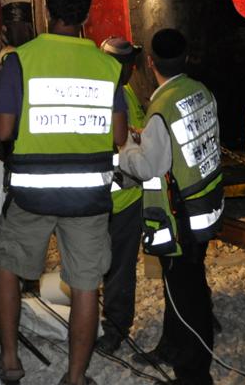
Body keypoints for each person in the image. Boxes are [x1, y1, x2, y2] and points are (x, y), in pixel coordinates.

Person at [0, 0, 127, 385]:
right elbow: (119, 135)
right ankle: (75, 378)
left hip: (32, 194)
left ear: (47, 12)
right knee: (85, 284)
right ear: (86, 16)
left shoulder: (21, 60)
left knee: (8, 267)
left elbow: (3, 131)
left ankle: (11, 362)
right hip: (88, 197)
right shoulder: (109, 66)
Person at [117, 29, 223, 385]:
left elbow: (148, 167)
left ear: (150, 63)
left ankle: (194, 374)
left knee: (186, 294)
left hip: (180, 218)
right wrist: (147, 137)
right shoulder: (200, 91)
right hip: (205, 204)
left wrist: (126, 147)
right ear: (186, 57)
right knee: (185, 285)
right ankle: (171, 346)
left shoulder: (161, 108)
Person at [95, 36, 146, 354]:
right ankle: (114, 328)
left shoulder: (93, 88)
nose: (133, 69)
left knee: (95, 267)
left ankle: (102, 326)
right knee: (119, 269)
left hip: (95, 197)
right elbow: (130, 140)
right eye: (131, 64)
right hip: (122, 198)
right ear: (124, 67)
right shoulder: (120, 93)